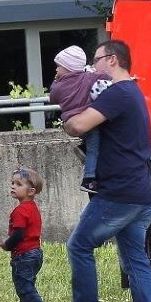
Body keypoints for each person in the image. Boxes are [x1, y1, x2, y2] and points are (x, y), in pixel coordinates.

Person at [53, 40, 151, 302]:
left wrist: (66, 119)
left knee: (79, 245)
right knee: (136, 259)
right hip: (140, 193)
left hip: (118, 193)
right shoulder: (134, 92)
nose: (92, 67)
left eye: (97, 59)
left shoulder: (117, 93)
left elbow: (80, 126)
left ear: (112, 60)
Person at [48, 45, 110, 193]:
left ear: (68, 67)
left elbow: (52, 98)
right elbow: (106, 77)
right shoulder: (88, 78)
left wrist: (55, 82)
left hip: (71, 122)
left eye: (58, 67)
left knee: (91, 144)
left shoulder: (59, 86)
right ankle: (88, 180)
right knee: (95, 149)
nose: (56, 70)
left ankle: (83, 147)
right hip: (89, 122)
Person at [0, 166, 49, 302]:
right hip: (35, 253)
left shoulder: (20, 211)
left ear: (31, 191)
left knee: (25, 287)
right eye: (12, 183)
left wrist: (7, 245)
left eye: (18, 184)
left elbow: (19, 234)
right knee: (25, 285)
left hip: (24, 255)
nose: (13, 186)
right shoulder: (33, 208)